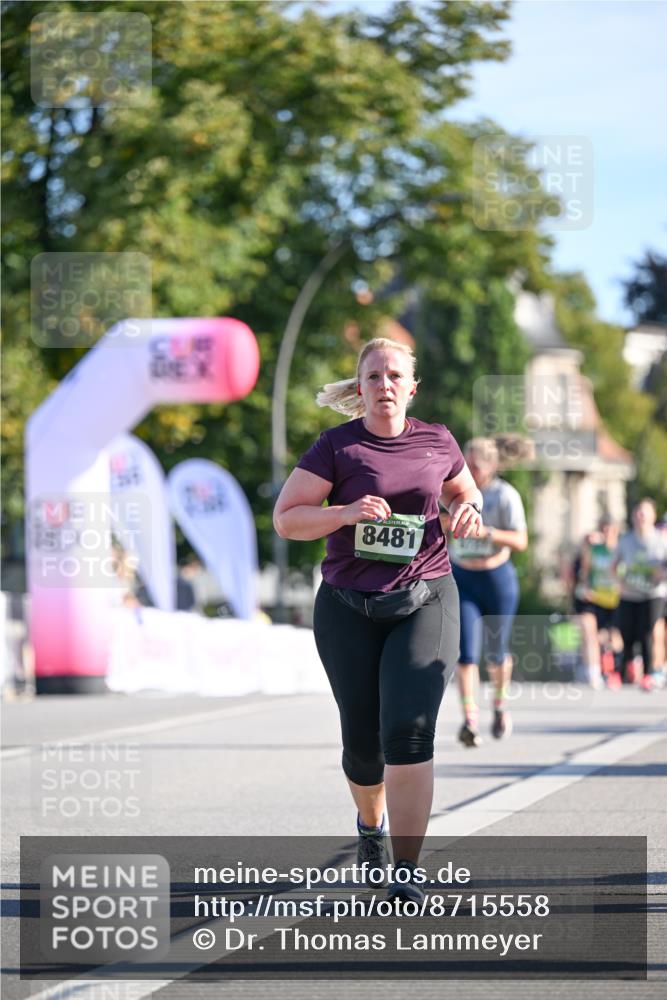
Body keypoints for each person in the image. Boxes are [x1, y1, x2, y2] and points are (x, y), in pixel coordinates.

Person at [273, 337, 482, 904]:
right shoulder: (336, 447)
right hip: (348, 607)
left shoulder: (438, 440)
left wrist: (468, 510)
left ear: (411, 388)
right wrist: (343, 512)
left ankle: (407, 871)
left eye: (395, 376)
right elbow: (287, 520)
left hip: (426, 599)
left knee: (409, 732)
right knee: (363, 745)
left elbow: (467, 491)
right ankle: (371, 828)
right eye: (373, 376)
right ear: (359, 388)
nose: (384, 385)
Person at [447, 438, 528, 747]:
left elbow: (521, 541)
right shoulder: (452, 491)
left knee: (496, 653)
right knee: (466, 653)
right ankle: (469, 719)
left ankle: (499, 705)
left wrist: (488, 532)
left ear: (491, 466)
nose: (469, 471)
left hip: (497, 579)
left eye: (476, 466)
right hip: (462, 577)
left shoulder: (504, 495)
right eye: (465, 464)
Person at [614, 498, 667, 691]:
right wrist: (618, 580)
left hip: (653, 593)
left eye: (645, 512)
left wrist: (662, 573)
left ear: (653, 515)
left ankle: (648, 674)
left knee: (647, 631)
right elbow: (614, 565)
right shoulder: (626, 540)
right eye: (638, 511)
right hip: (629, 593)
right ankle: (626, 669)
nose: (641, 515)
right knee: (627, 632)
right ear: (633, 515)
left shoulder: (661, 540)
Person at [573, 518, 621, 688]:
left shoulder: (621, 549)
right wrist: (583, 587)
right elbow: (583, 572)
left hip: (615, 601)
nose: (607, 534)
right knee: (588, 630)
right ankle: (593, 673)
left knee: (613, 639)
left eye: (611, 530)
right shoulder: (594, 550)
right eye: (604, 530)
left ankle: (614, 670)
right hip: (594, 599)